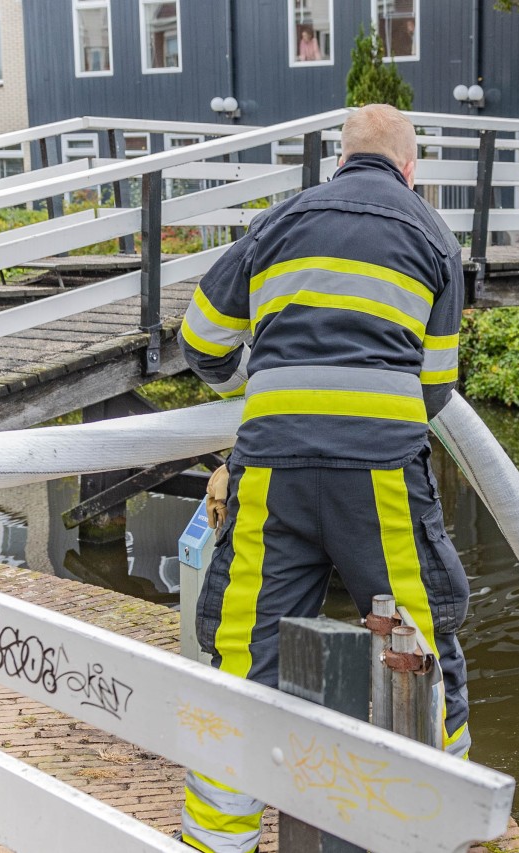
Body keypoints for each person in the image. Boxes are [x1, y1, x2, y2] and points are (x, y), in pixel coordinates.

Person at [175, 104, 468, 853]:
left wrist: (259, 381)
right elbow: (435, 386)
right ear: (411, 170)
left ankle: (218, 840)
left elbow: (201, 337)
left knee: (245, 651)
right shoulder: (432, 234)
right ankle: (439, 825)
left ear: (337, 162)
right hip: (379, 472)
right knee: (419, 637)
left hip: (274, 466)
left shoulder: (279, 222)